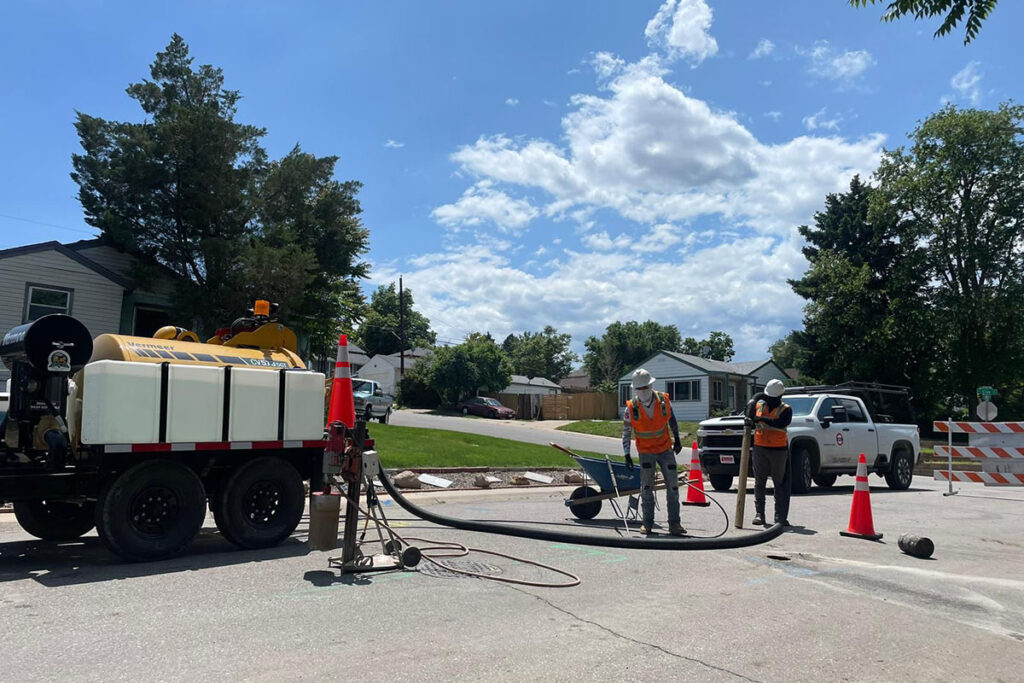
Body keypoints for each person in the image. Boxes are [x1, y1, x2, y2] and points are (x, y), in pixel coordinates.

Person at [622, 368, 685, 535]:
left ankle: (674, 524)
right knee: (647, 488)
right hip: (646, 452)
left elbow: (672, 419)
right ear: (635, 389)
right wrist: (626, 453)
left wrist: (677, 439)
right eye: (639, 389)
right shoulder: (631, 408)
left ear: (651, 385)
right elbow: (626, 432)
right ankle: (647, 523)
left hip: (665, 449)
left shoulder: (663, 401)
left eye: (645, 388)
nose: (642, 391)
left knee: (673, 487)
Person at [746, 378, 793, 527]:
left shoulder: (786, 409)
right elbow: (750, 416)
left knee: (779, 484)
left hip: (778, 450)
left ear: (779, 397)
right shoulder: (759, 404)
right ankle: (759, 514)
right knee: (760, 482)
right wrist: (751, 408)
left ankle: (780, 516)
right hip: (760, 447)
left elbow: (781, 423)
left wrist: (762, 419)